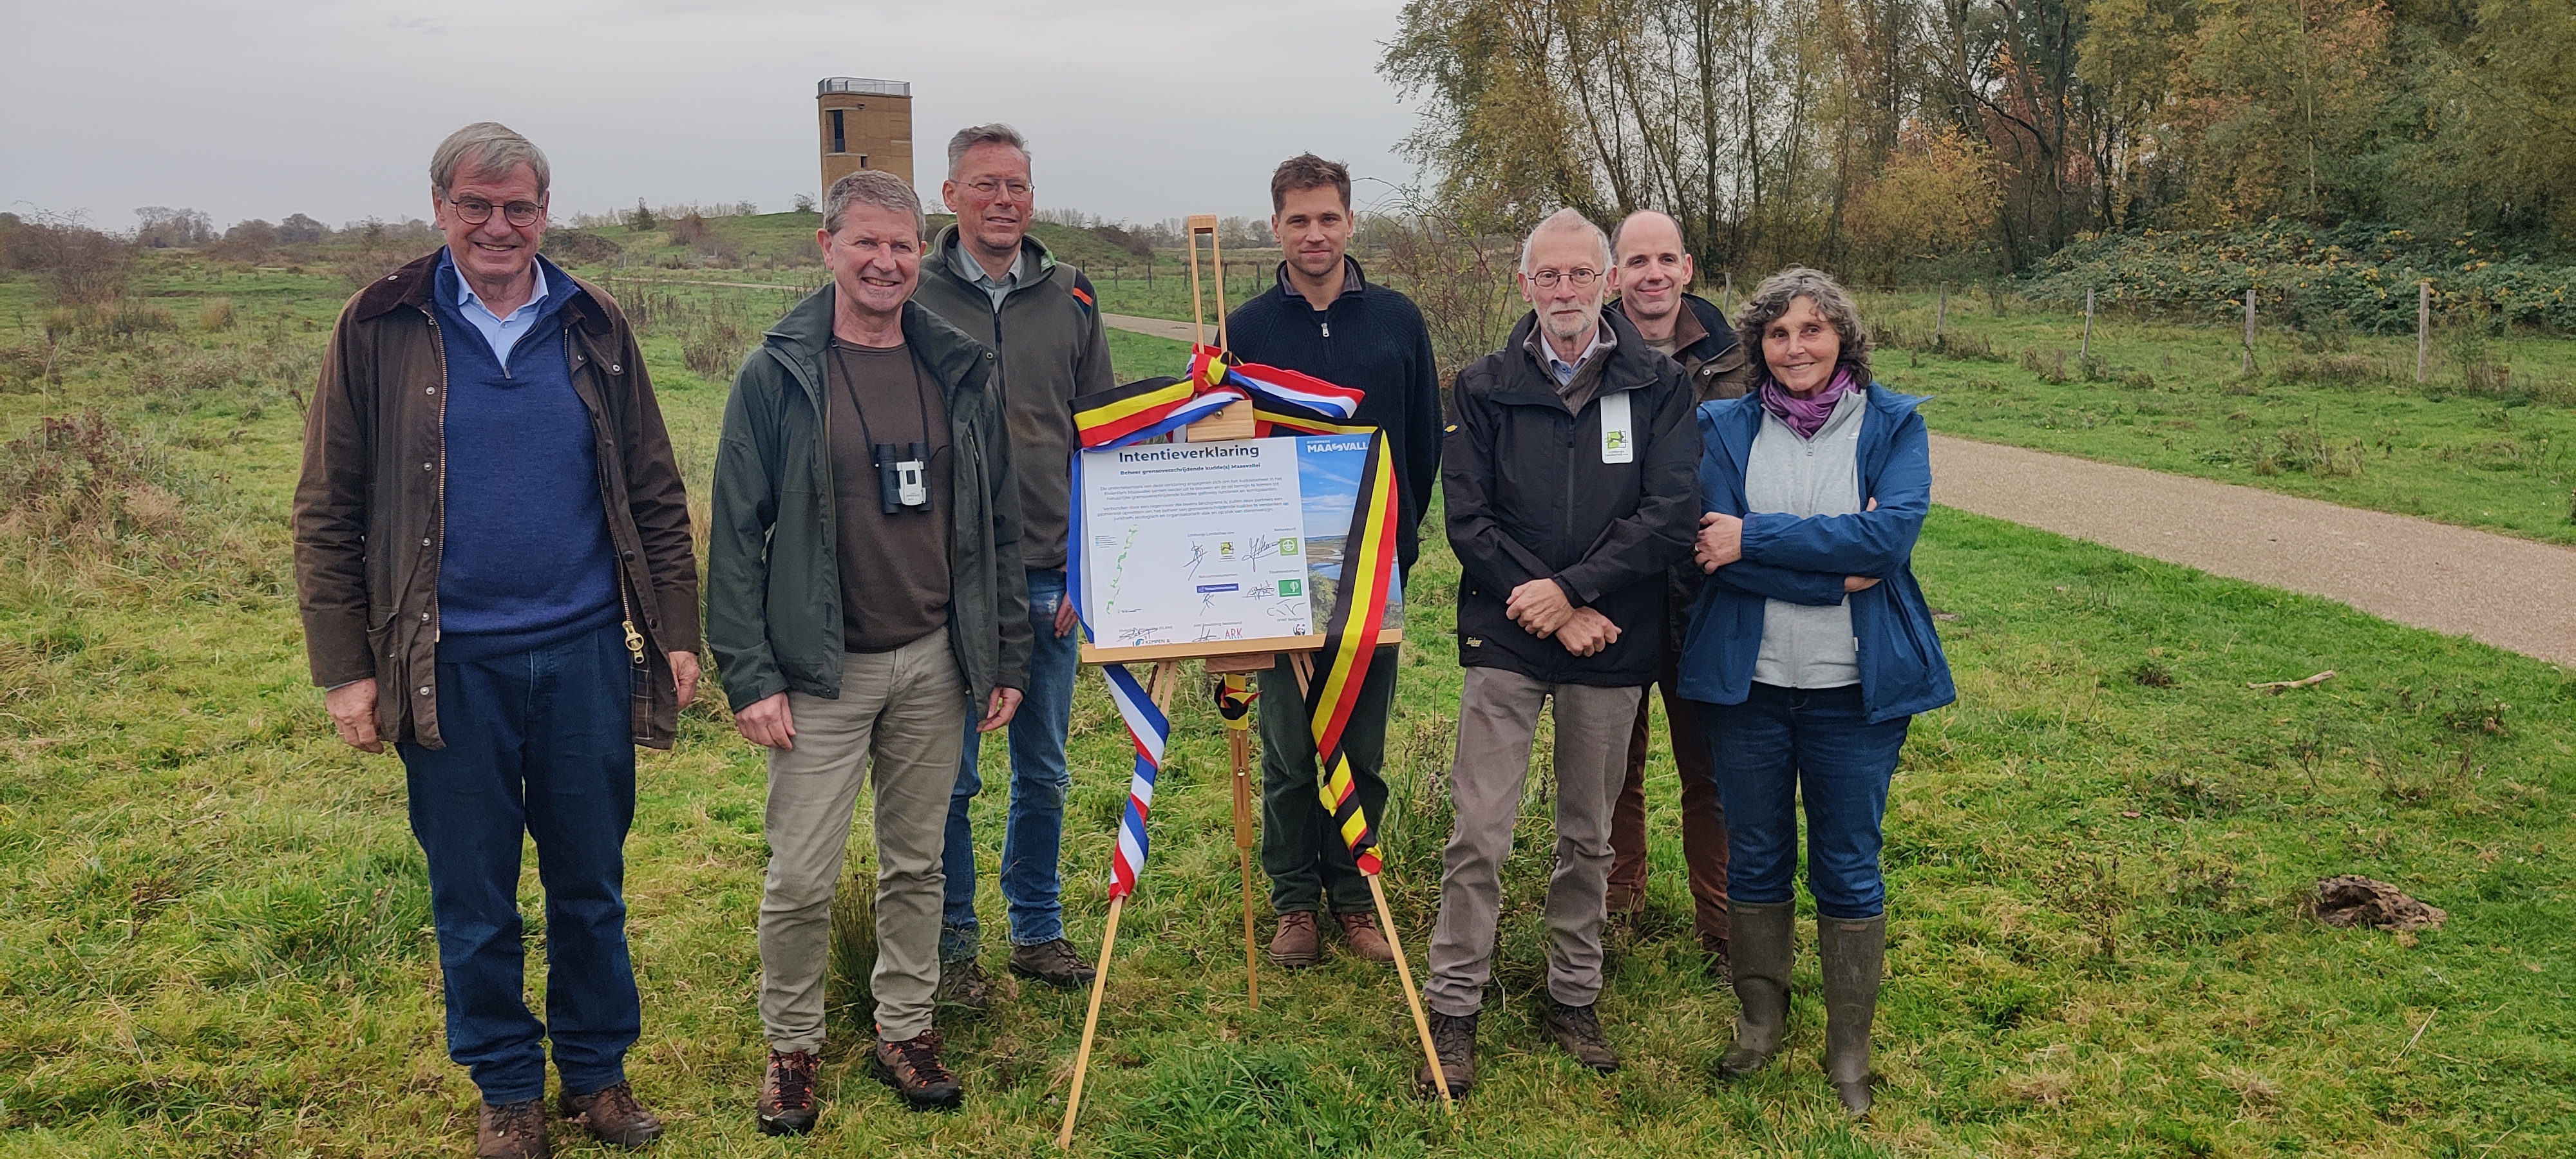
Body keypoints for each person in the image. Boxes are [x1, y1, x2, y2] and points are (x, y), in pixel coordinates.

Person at [292, 122, 696, 1158]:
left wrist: (677, 634)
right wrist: (346, 669)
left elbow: (653, 487)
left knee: (590, 884)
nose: (498, 225)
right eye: (477, 205)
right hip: (445, 665)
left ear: (545, 213)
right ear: (441, 208)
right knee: (472, 895)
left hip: (584, 656)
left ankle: (597, 1077)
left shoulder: (594, 321)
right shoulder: (380, 324)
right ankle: (509, 1091)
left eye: (519, 206)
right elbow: (329, 508)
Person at [705, 170, 1031, 1132]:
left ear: (917, 253)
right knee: (801, 875)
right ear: (828, 247)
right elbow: (733, 537)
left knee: (916, 864)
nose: (885, 263)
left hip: (934, 659)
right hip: (821, 671)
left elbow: (999, 524)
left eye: (901, 246)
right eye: (866, 245)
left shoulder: (960, 369)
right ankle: (793, 1048)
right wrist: (751, 674)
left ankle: (905, 1027)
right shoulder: (778, 375)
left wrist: (1003, 654)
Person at [1419, 209, 1699, 1098]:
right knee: (1479, 834)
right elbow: (1468, 520)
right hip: (1507, 632)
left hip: (1611, 638)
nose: (1566, 292)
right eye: (1549, 277)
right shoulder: (1483, 384)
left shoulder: (1660, 384)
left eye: (1582, 275)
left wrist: (1578, 593)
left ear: (1609, 280)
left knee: (1588, 835)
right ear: (1523, 282)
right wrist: (1551, 603)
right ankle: (1453, 1006)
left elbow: (1670, 513)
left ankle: (1572, 994)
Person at [1677, 266, 1955, 1120]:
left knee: (1847, 861)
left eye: (1813, 330)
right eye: (1778, 333)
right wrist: (1838, 577)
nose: (1796, 348)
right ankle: (1761, 1023)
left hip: (1853, 690)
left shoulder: (1894, 423)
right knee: (1757, 855)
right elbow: (1709, 547)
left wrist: (1757, 540)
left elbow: (1889, 536)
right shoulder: (1721, 426)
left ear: (1843, 338)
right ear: (1757, 347)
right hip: (1749, 685)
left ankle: (1848, 1047)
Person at [1224, 154, 1443, 969]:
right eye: (1296, 220)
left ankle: (1355, 897)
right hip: (1274, 570)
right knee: (1287, 747)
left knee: (1360, 744)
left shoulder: (1397, 321)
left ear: (1350, 223)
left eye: (1327, 218)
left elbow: (1421, 442)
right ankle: (1293, 903)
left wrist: (1395, 543)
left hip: (1371, 569)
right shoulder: (1245, 330)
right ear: (1275, 226)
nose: (1313, 234)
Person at [911, 124, 1114, 1001]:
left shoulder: (1071, 296)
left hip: (1046, 573)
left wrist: (1088, 565)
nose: (1005, 200)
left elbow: (1100, 436)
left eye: (1018, 186)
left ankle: (1037, 928)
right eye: (986, 184)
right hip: (941, 584)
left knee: (1045, 768)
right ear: (949, 194)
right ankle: (953, 942)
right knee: (948, 776)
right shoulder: (908, 291)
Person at [1600, 210, 1751, 966]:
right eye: (1636, 261)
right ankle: (1618, 908)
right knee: (1610, 770)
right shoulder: (1583, 355)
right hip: (1618, 590)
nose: (1651, 274)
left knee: (1711, 771)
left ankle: (1721, 928)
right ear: (1613, 275)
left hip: (1711, 593)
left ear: (1687, 268)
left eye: (1665, 259)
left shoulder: (1737, 360)